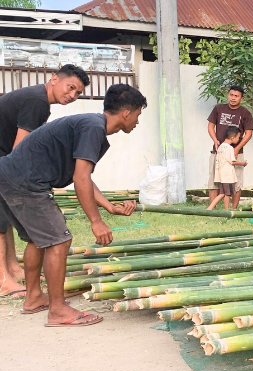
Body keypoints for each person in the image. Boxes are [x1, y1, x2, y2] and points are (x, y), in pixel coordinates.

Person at [0, 84, 145, 326]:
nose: (137, 122)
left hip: (10, 177)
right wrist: (96, 222)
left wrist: (109, 207)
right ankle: (58, 311)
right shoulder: (93, 127)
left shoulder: (92, 126)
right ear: (126, 113)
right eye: (138, 115)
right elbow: (80, 179)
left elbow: (84, 176)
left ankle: (33, 297)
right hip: (26, 181)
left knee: (38, 239)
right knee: (59, 239)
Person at [0, 64, 90, 300]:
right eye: (70, 87)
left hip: (3, 161)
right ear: (54, 79)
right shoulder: (36, 101)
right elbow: (21, 151)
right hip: (4, 162)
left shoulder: (38, 99)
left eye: (78, 93)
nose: (72, 95)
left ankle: (13, 269)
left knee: (5, 219)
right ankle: (3, 280)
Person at [207, 85, 253, 207]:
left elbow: (249, 133)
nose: (233, 98)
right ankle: (213, 210)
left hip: (236, 153)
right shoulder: (218, 109)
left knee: (236, 182)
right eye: (231, 95)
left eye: (236, 96)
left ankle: (233, 209)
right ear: (228, 95)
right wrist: (215, 140)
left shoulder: (245, 113)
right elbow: (210, 126)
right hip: (217, 152)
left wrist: (237, 148)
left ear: (241, 98)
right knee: (214, 181)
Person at [207, 126, 247, 211]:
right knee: (227, 194)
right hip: (228, 176)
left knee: (222, 193)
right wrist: (242, 163)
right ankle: (226, 210)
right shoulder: (229, 148)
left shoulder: (221, 146)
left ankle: (210, 208)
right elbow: (232, 161)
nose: (238, 139)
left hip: (221, 175)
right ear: (232, 138)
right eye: (238, 137)